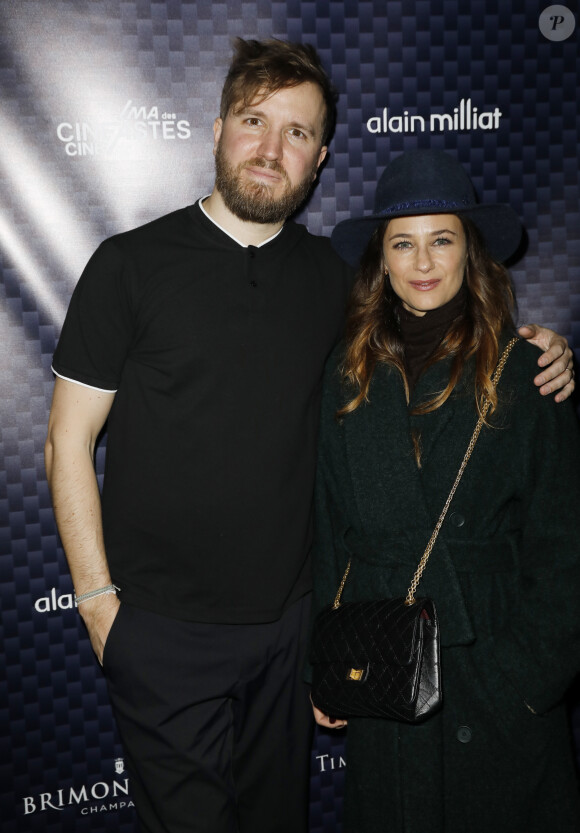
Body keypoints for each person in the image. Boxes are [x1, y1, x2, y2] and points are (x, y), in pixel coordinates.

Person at [44, 37, 573, 833]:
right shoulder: (128, 264)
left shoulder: (335, 289)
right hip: (160, 634)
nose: (270, 148)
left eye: (296, 133)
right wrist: (97, 608)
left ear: (320, 157)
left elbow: (439, 334)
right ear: (218, 125)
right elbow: (66, 442)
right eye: (254, 121)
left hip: (290, 643)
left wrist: (545, 350)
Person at [310, 149, 580, 833]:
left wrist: (524, 682)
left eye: (442, 240)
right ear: (383, 258)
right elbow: (329, 528)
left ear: (470, 252)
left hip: (492, 670)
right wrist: (328, 659)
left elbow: (563, 547)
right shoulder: (347, 377)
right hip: (387, 670)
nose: (423, 261)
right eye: (404, 242)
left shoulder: (526, 373)